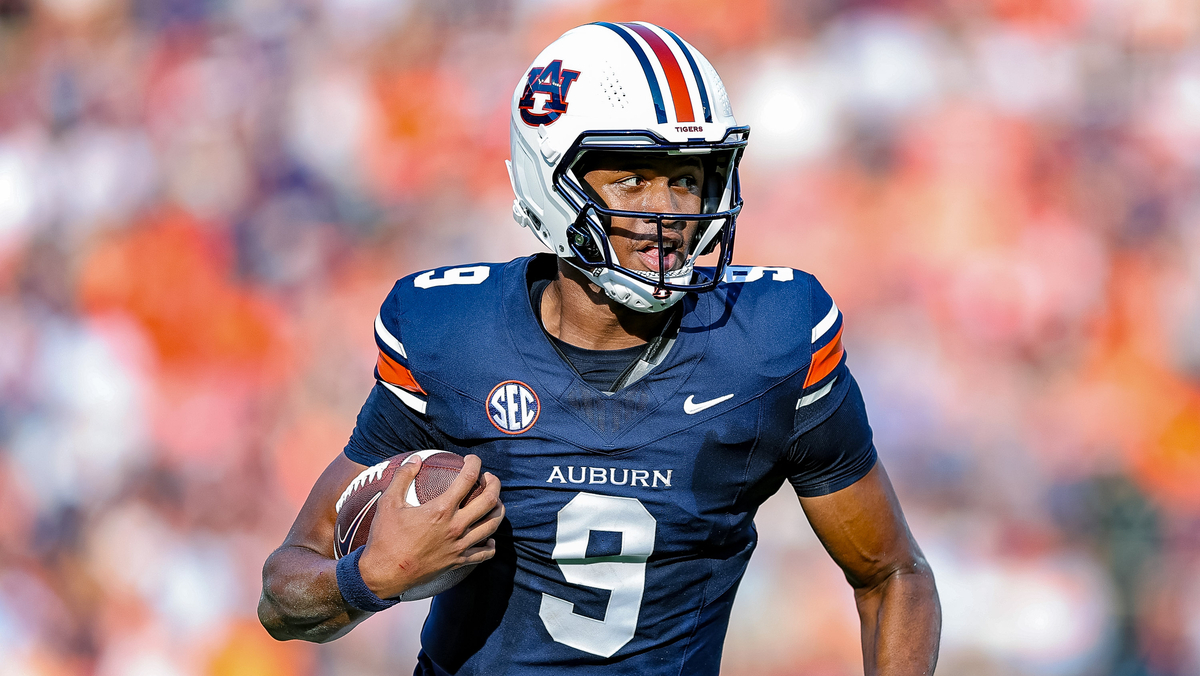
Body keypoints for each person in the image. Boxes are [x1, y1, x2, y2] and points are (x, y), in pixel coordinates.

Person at [258, 21, 941, 675]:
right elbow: (284, 594)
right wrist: (366, 579)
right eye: (634, 178)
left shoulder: (766, 340)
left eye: (687, 177)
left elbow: (891, 573)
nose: (669, 211)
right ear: (550, 179)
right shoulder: (452, 338)